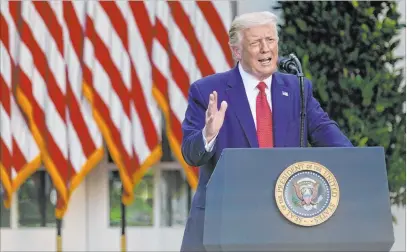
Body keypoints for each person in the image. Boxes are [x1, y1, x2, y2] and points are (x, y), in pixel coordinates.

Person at [180, 11, 353, 251]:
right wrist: (208, 134)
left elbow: (327, 132)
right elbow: (191, 154)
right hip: (224, 223)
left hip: (283, 223)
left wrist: (357, 162)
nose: (265, 49)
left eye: (270, 40)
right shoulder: (208, 91)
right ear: (237, 52)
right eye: (255, 42)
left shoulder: (297, 89)